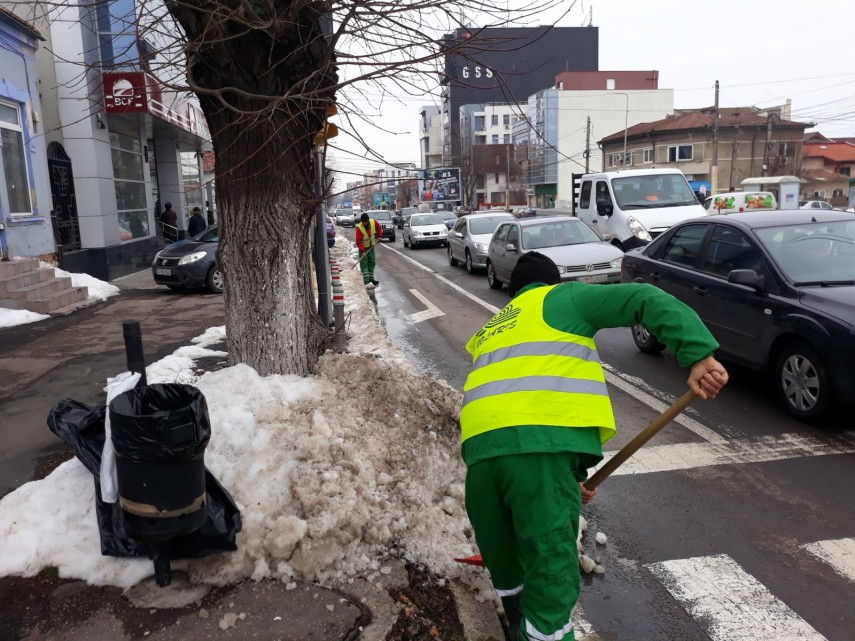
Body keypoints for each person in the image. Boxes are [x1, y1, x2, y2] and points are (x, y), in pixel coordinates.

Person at [460, 252, 728, 641]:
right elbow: (643, 298)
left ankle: (522, 631)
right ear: (552, 283)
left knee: (509, 570)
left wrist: (570, 481)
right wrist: (698, 354)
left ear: (514, 290)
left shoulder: (490, 329)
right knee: (550, 577)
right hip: (538, 455)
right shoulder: (560, 298)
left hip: (481, 461)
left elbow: (517, 396)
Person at [355, 212, 382, 288]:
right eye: (362, 222)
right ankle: (366, 281)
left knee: (372, 262)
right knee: (364, 265)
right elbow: (358, 241)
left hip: (371, 247)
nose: (364, 223)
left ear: (367, 220)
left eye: (365, 222)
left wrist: (379, 236)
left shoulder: (373, 222)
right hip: (363, 248)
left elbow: (379, 228)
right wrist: (362, 251)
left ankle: (371, 279)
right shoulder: (359, 227)